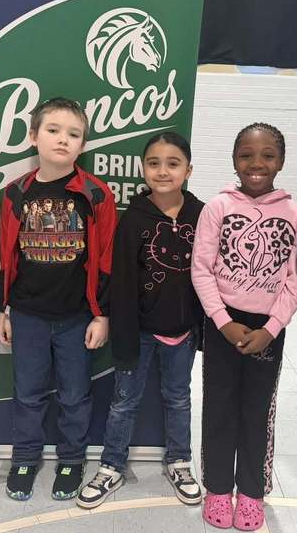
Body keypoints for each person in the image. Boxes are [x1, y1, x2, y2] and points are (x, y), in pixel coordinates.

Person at [0, 97, 116, 501]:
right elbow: (5, 256)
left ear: (83, 144)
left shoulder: (96, 195)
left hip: (77, 316)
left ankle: (72, 458)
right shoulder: (15, 194)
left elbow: (106, 261)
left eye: (73, 134)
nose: (63, 140)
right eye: (53, 130)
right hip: (27, 313)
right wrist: (5, 310)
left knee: (74, 393)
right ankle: (26, 456)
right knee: (27, 391)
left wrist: (102, 315)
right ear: (33, 136)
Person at [77, 131, 205, 509]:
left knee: (179, 398)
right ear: (142, 169)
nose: (163, 171)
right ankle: (111, 464)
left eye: (173, 163)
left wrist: (201, 330)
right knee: (124, 401)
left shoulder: (202, 215)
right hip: (139, 332)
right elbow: (121, 281)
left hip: (182, 333)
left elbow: (208, 275)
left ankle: (179, 460)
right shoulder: (132, 218)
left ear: (188, 170)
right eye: (154, 163)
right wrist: (123, 332)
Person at [191, 123, 297, 531]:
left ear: (281, 161)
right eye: (246, 155)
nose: (256, 164)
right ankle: (219, 488)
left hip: (266, 330)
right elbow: (201, 270)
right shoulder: (217, 207)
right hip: (222, 323)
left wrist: (272, 327)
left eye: (267, 156)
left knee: (257, 411)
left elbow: (296, 280)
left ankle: (253, 492)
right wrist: (221, 322)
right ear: (234, 159)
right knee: (219, 406)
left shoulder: (294, 214)